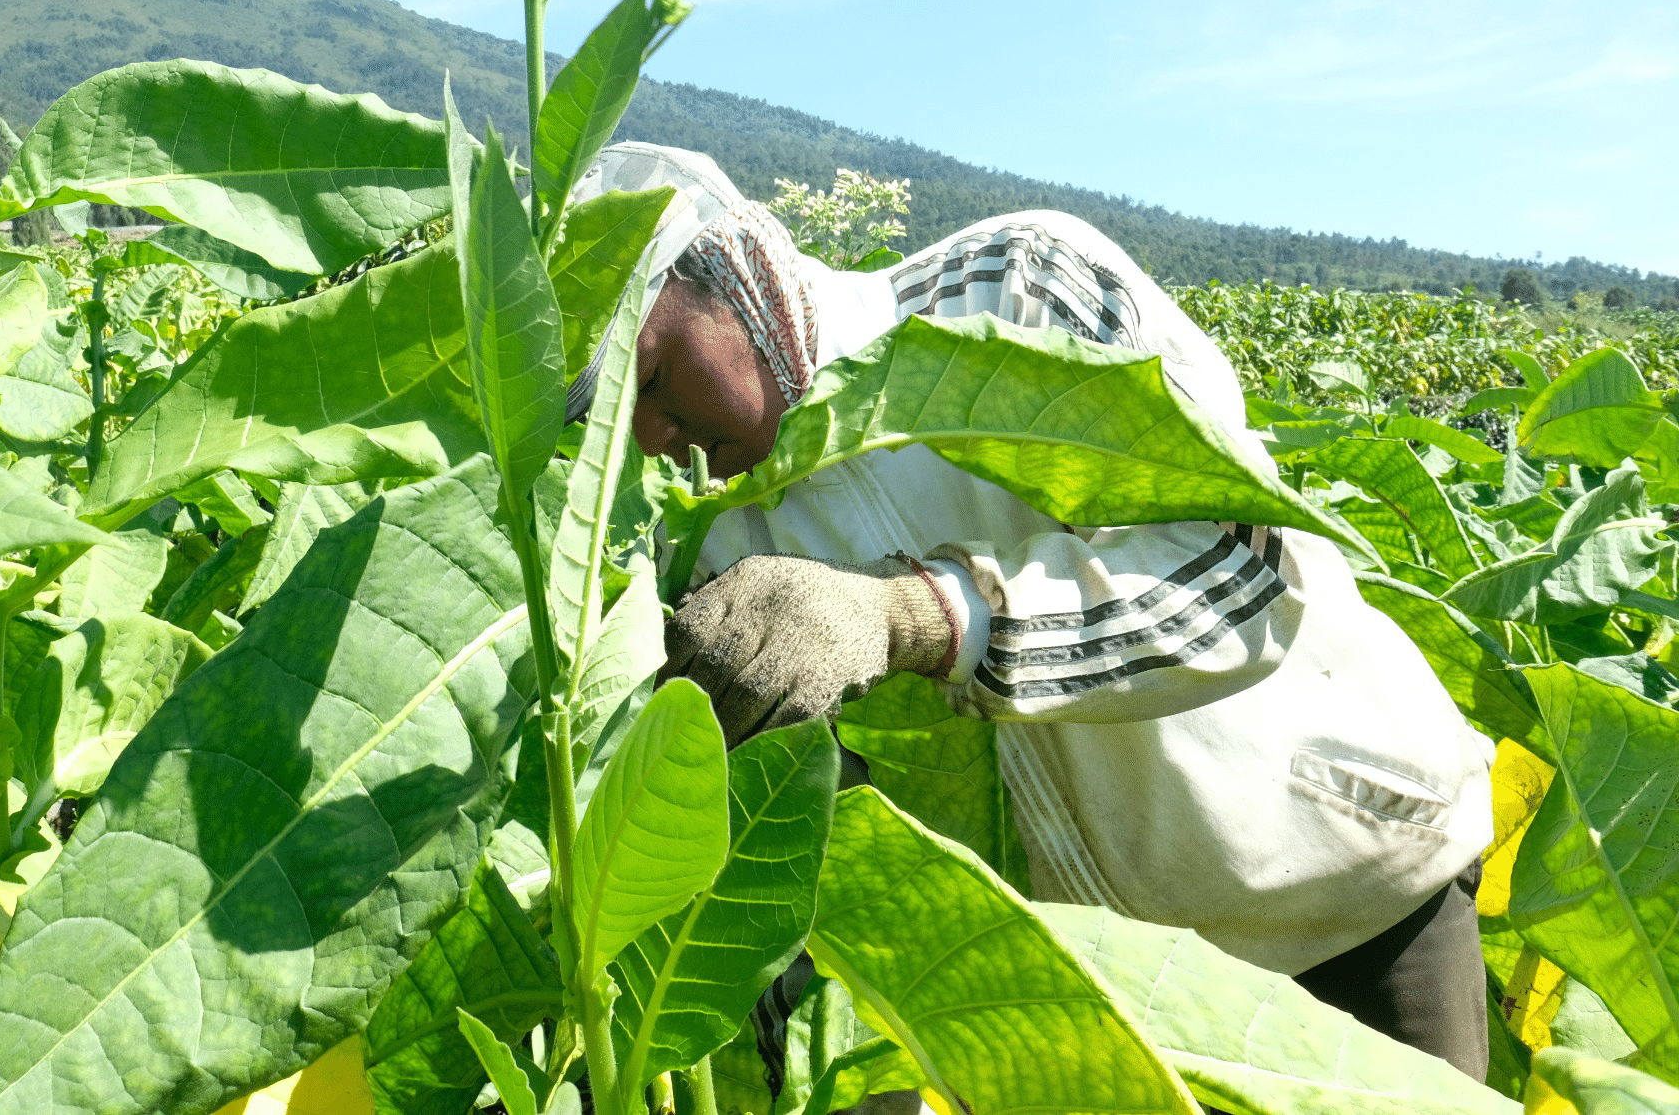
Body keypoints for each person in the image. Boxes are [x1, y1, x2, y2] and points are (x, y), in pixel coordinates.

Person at [567, 143, 1495, 1076]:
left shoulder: (1017, 286)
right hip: (1112, 1015)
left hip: (1352, 901)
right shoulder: (721, 551)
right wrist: (837, 1058)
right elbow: (799, 838)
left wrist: (913, 616)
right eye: (608, 416)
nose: (649, 435)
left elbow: (1243, 572)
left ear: (737, 273)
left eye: (648, 376)